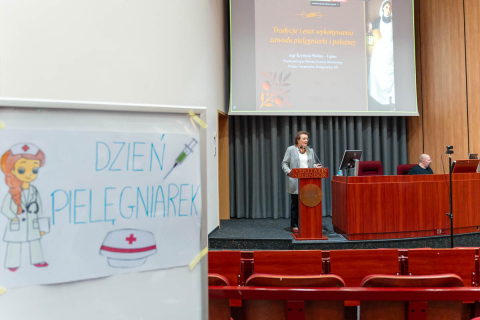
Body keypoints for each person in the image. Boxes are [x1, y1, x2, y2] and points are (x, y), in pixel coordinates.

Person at [1, 143, 48, 272]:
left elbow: (40, 209)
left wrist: (42, 227)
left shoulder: (34, 190)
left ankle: (38, 260)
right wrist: (13, 217)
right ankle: (12, 263)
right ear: (13, 170)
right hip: (17, 224)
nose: (29, 174)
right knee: (14, 243)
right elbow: (4, 208)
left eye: (34, 170)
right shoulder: (12, 191)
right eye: (22, 170)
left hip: (32, 224)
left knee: (35, 241)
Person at [281, 131, 322, 233]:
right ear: (298, 140)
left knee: (308, 202)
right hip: (295, 180)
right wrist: (288, 171)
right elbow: (284, 163)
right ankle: (294, 225)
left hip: (308, 181)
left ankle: (307, 223)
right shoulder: (291, 149)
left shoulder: (309, 150)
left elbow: (311, 164)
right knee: (295, 204)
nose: (306, 141)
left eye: (307, 139)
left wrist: (315, 166)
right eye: (303, 139)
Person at [367, 0, 395, 106]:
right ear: (383, 8)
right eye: (386, 7)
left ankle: (391, 98)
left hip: (391, 50)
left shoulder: (394, 20)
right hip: (382, 48)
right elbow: (371, 25)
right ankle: (377, 96)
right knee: (376, 68)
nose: (388, 10)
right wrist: (368, 26)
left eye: (389, 8)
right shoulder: (379, 20)